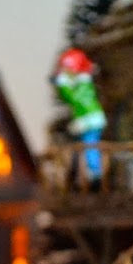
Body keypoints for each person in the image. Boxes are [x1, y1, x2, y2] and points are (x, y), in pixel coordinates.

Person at [52, 48, 108, 182]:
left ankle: (95, 175)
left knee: (90, 145)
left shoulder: (82, 84)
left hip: (89, 119)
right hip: (90, 119)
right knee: (87, 144)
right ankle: (89, 174)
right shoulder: (83, 82)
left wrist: (63, 85)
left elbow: (73, 98)